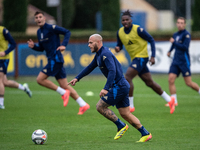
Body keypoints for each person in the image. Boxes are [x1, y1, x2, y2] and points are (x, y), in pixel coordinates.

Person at [68, 34, 152, 142]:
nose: (88, 45)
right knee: (125, 113)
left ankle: (121, 126)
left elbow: (112, 70)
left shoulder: (105, 54)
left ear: (98, 42)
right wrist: (77, 78)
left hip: (119, 86)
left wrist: (106, 88)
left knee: (100, 107)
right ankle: (145, 133)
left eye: (90, 42)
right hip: (122, 86)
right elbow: (90, 67)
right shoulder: (99, 54)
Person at [27, 11, 89, 115]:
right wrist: (34, 47)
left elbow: (67, 32)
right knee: (65, 85)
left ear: (44, 18)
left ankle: (63, 93)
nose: (38, 19)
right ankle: (83, 104)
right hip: (54, 60)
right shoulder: (39, 32)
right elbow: (42, 48)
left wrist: (64, 45)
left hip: (55, 59)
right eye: (36, 17)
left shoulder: (51, 28)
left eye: (40, 17)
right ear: (35, 20)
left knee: (40, 79)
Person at [115, 10, 175, 114]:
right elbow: (120, 45)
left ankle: (130, 106)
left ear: (131, 20)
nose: (125, 21)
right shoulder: (119, 32)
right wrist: (118, 48)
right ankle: (170, 100)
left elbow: (151, 39)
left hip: (142, 57)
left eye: (127, 20)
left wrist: (153, 56)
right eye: (123, 20)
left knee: (127, 77)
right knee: (149, 82)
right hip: (135, 59)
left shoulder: (138, 30)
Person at [166, 17, 200, 106]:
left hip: (184, 61)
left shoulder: (186, 34)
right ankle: (174, 101)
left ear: (184, 24)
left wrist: (174, 42)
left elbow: (185, 47)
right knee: (170, 80)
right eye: (178, 22)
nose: (179, 24)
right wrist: (170, 51)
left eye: (181, 23)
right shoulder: (175, 34)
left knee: (189, 83)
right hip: (175, 61)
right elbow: (174, 45)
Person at [0, 26, 32, 109]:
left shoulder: (3, 30)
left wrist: (5, 52)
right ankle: (24, 87)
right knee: (5, 82)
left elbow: (13, 44)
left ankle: (1, 103)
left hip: (3, 59)